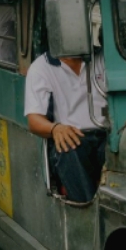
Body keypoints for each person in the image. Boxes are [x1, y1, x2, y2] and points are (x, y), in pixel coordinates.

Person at [24, 45, 108, 203]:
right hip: (73, 135)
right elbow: (34, 120)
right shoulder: (41, 67)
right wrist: (55, 128)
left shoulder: (103, 58)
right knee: (67, 146)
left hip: (106, 135)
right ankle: (86, 209)